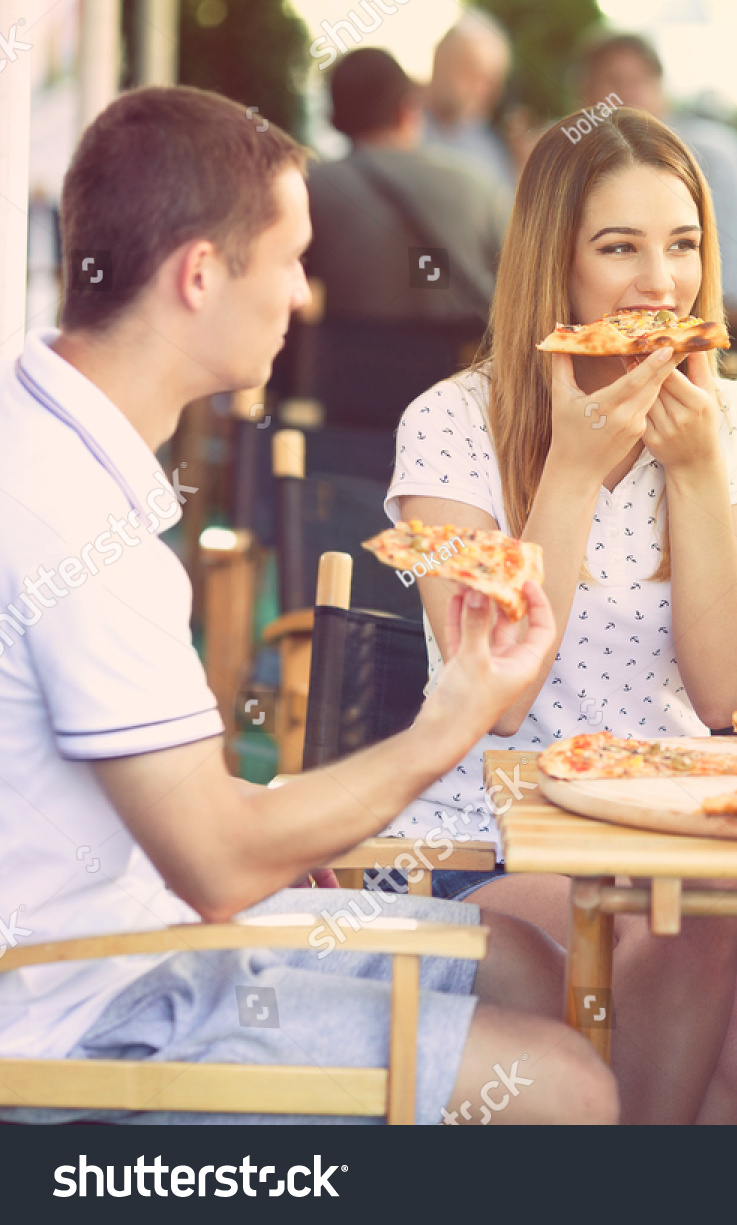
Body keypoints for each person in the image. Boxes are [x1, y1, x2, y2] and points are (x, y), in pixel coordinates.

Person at [0, 85, 615, 1125]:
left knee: (520, 957)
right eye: (290, 259)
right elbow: (223, 863)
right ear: (199, 275)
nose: (304, 295)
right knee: (569, 1089)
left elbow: (197, 831)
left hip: (133, 934)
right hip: (88, 1012)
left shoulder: (56, 452)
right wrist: (454, 717)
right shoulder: (67, 518)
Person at [382, 105, 737, 1123]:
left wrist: (697, 475)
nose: (662, 284)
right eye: (621, 248)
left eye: (685, 245)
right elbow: (500, 696)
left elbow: (733, 691)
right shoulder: (449, 424)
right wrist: (568, 472)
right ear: (553, 266)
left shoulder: (736, 421)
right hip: (482, 843)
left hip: (672, 842)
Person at [576, 32, 737, 324]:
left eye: (640, 81)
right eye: (613, 82)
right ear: (584, 94)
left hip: (717, 323)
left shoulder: (713, 151)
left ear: (661, 88)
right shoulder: (575, 158)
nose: (627, 95)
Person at [308, 47, 506, 329]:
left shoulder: (311, 189)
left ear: (334, 118)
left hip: (347, 369)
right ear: (407, 110)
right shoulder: (476, 184)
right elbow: (523, 282)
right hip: (459, 368)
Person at [424, 8, 520, 197]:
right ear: (441, 60)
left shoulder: (488, 148)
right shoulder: (394, 127)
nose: (487, 92)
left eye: (493, 81)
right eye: (475, 75)